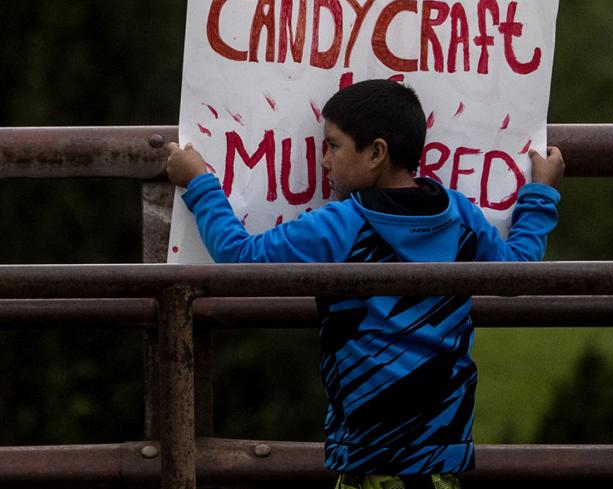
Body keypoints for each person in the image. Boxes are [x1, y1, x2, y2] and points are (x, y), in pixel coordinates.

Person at [165, 78, 564, 489]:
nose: (323, 160)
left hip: (368, 451)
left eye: (333, 145)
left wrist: (199, 183)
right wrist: (541, 192)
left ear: (376, 153)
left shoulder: (342, 224)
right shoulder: (458, 215)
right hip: (442, 451)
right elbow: (516, 269)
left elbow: (241, 257)